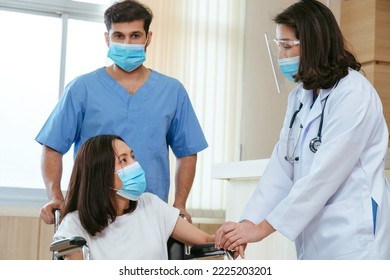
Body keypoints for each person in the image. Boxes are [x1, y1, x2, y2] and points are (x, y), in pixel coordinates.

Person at [215, 0, 390, 260]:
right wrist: (249, 223)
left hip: (353, 235)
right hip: (316, 237)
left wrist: (263, 229)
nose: (281, 55)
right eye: (279, 46)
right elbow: (282, 167)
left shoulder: (354, 94)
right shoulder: (300, 98)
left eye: (287, 46)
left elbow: (325, 174)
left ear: (313, 43)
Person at [36, 0, 207, 224]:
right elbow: (52, 145)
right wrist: (55, 196)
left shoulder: (172, 91)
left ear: (148, 38)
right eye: (119, 36)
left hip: (151, 214)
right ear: (107, 38)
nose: (127, 43)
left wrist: (180, 204)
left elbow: (187, 152)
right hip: (91, 210)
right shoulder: (82, 88)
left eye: (135, 36)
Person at [53, 134, 213, 260]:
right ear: (100, 174)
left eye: (132, 156)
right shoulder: (75, 224)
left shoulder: (152, 205)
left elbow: (206, 240)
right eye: (123, 160)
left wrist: (231, 237)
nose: (134, 164)